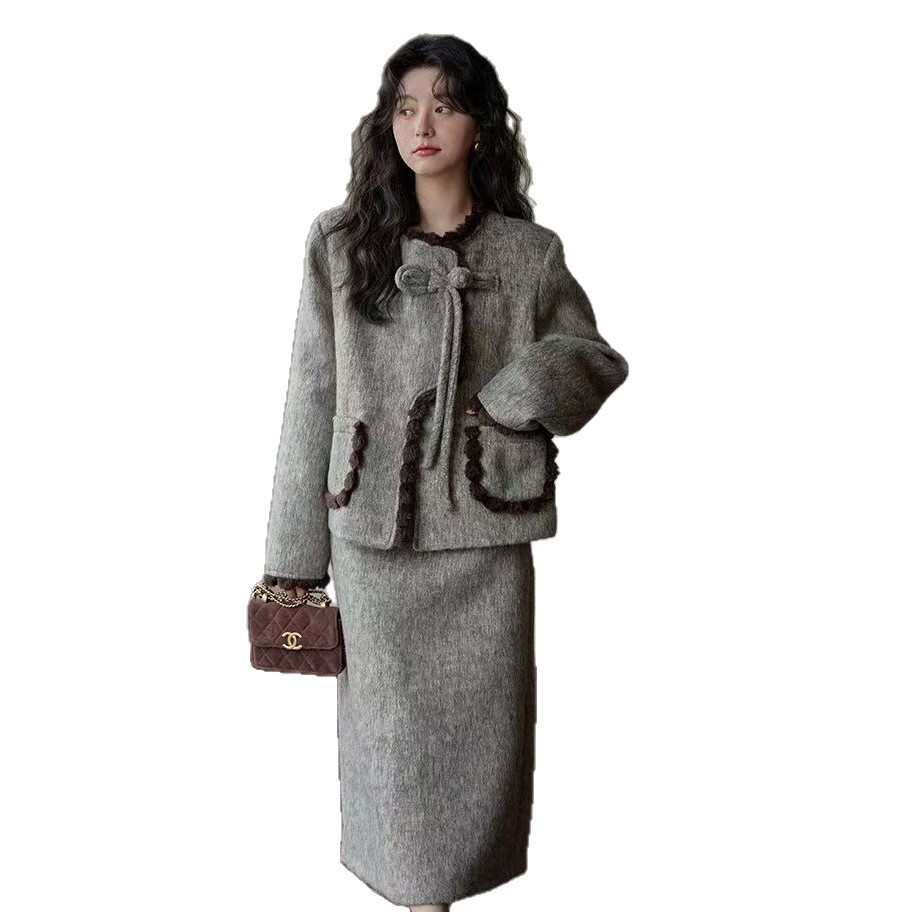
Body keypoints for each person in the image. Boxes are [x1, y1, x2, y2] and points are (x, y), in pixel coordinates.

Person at [259, 34, 629, 911]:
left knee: (480, 748)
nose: (422, 124)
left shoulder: (528, 255)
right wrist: (291, 568)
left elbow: (593, 356)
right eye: (406, 106)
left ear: (481, 126)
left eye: (446, 105)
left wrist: (513, 396)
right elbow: (310, 397)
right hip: (374, 544)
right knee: (387, 756)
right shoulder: (341, 244)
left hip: (483, 545)